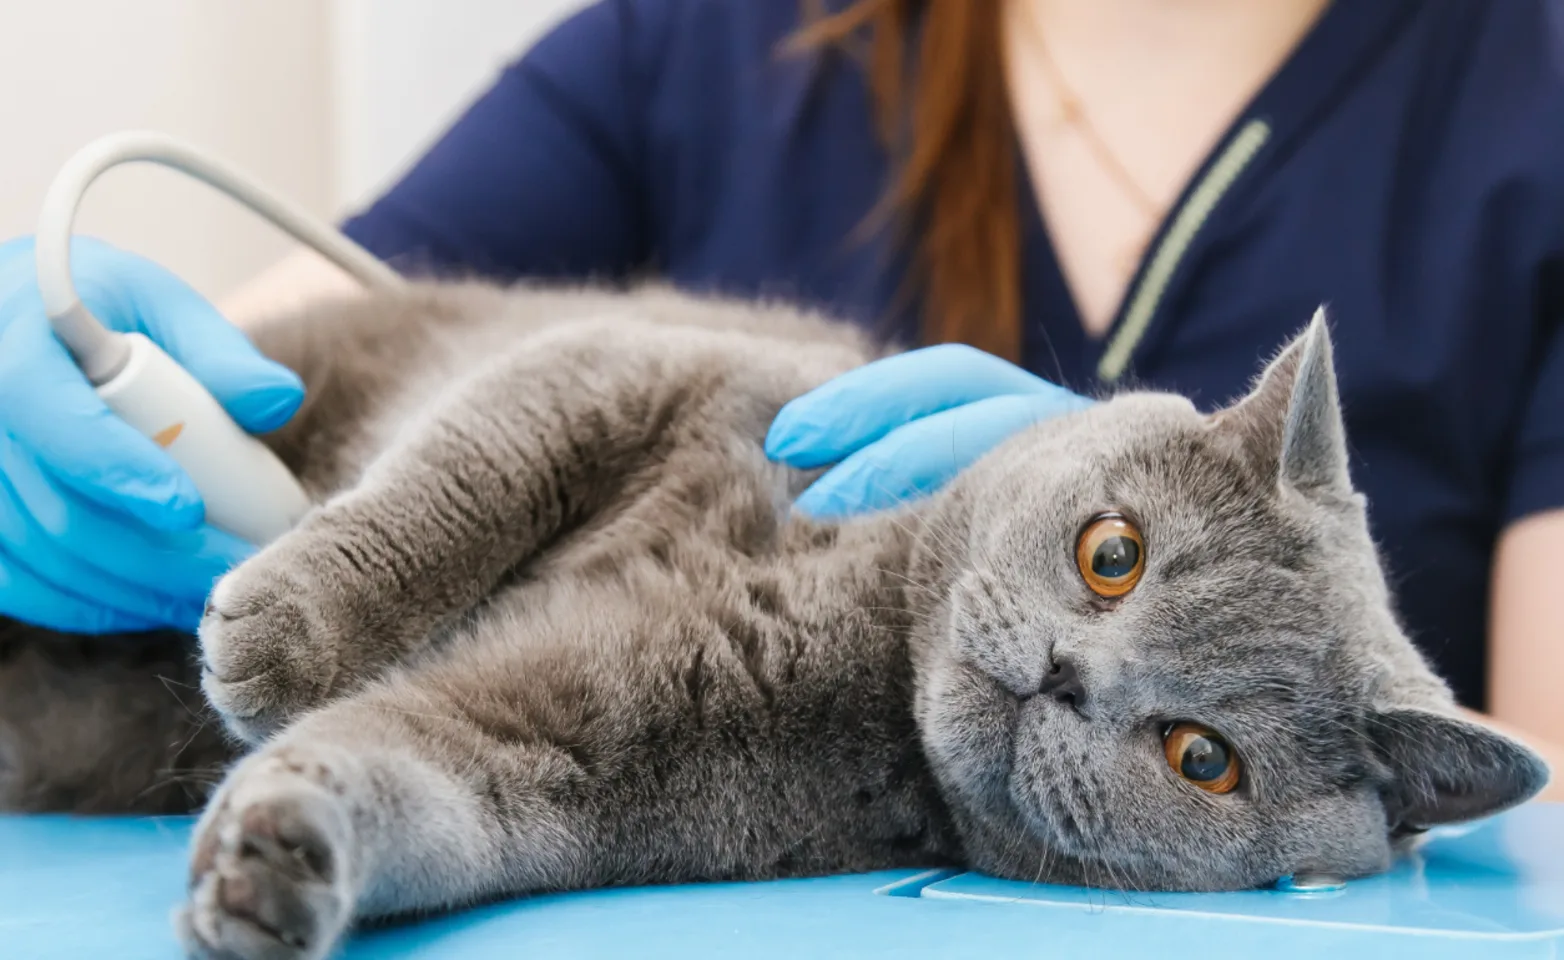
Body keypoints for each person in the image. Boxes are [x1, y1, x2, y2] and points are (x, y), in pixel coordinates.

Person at [1, 0, 1561, 796]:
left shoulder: (1522, 106)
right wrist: (43, 370)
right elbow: (256, 370)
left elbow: (1533, 821)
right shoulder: (718, 40)